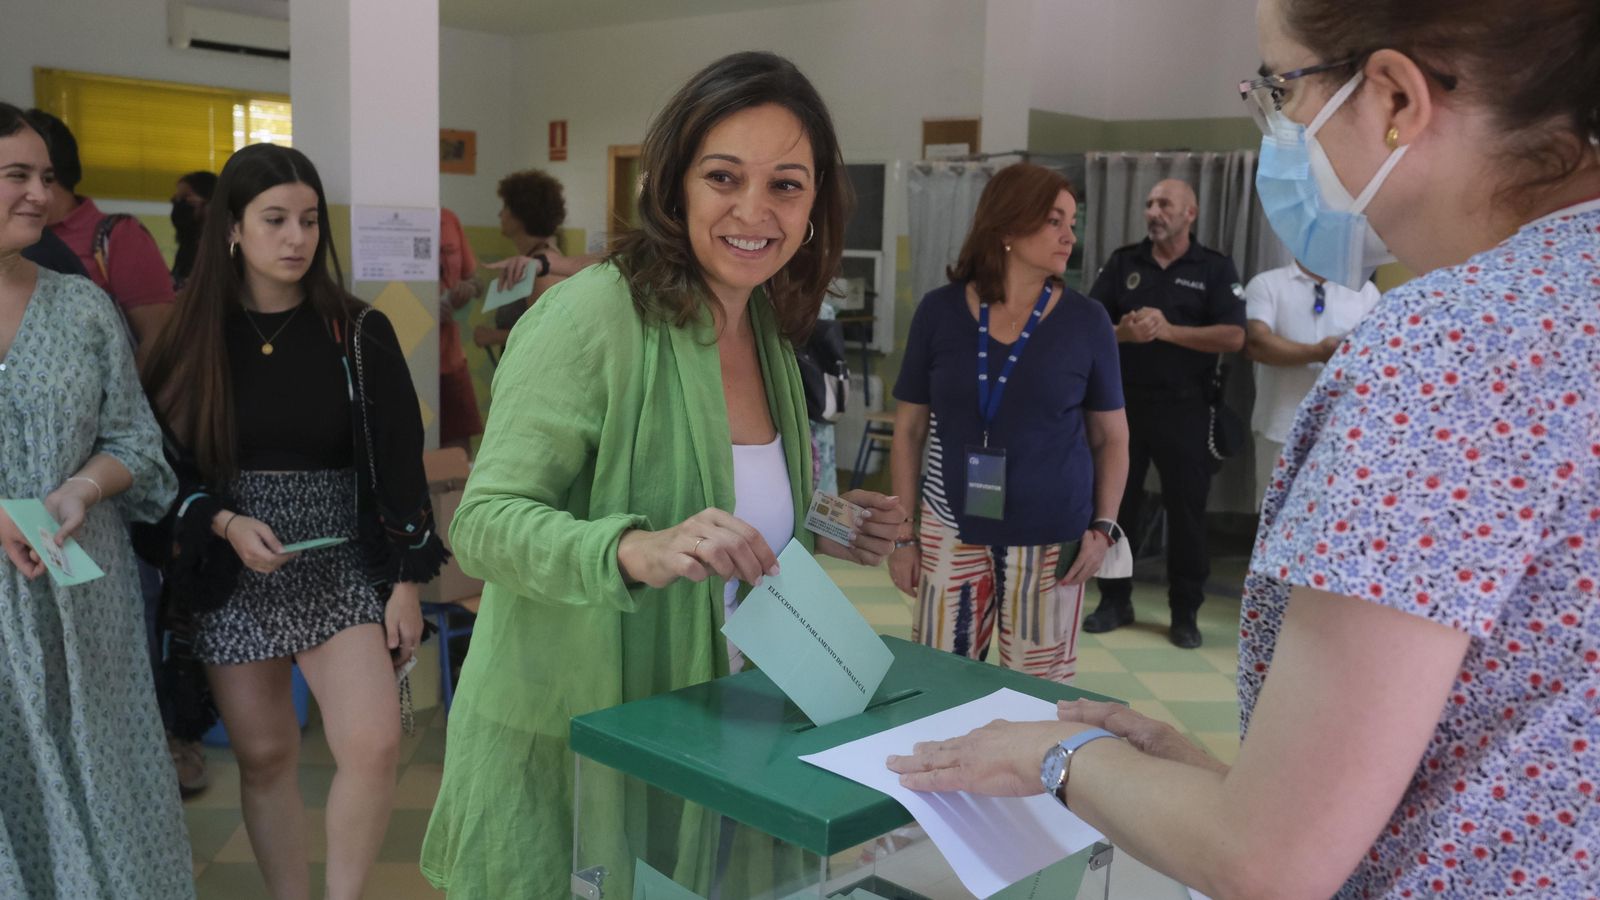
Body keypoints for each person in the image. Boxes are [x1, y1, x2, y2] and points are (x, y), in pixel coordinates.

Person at [888, 0, 1600, 895]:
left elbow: (1267, 864)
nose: (1279, 129)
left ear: (1392, 96)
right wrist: (1218, 778)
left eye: (1279, 89)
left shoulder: (1455, 350)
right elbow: (1506, 735)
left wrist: (1057, 754)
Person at [422, 51, 905, 898]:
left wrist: (827, 520)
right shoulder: (591, 315)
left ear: (816, 202)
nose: (754, 211)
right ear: (675, 182)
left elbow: (720, 501)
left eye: (786, 186)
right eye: (725, 177)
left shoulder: (765, 330)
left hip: (728, 734)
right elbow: (483, 523)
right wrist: (632, 551)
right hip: (586, 733)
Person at [139, 143, 447, 900]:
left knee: (373, 746)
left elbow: (401, 462)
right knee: (267, 754)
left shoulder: (359, 330)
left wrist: (404, 582)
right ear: (233, 230)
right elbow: (157, 465)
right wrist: (222, 523)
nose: (296, 238)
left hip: (341, 558)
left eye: (309, 220)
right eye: (275, 220)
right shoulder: (188, 335)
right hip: (233, 565)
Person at [0, 101, 194, 899]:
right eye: (17, 174)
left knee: (99, 771)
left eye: (48, 177)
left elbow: (135, 443)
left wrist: (81, 487)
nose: (40, 194)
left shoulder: (79, 305)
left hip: (82, 589)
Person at [888, 162, 1128, 683]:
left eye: (1072, 221)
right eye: (1054, 221)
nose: (1070, 235)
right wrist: (902, 536)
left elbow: (1112, 437)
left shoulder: (1087, 322)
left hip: (1050, 535)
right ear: (1007, 227)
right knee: (938, 682)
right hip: (949, 524)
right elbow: (907, 432)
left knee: (1036, 700)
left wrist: (1104, 528)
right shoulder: (939, 312)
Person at [1083, 178, 1246, 648]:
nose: (1154, 211)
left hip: (1187, 407)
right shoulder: (1123, 263)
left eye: (1164, 204)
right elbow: (1089, 329)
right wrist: (1125, 333)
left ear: (1190, 213)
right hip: (1123, 407)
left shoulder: (1213, 268)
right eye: (1149, 203)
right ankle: (1114, 600)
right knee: (1116, 508)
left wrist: (1170, 332)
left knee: (1187, 514)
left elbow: (1234, 337)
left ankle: (1184, 611)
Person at [24, 109, 175, 347]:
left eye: (16, 173)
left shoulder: (117, 235)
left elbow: (157, 338)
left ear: (47, 173)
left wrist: (125, 385)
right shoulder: (17, 238)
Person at [1243, 260, 1379, 503]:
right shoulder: (1267, 284)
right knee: (1275, 516)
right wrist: (1318, 352)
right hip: (1280, 427)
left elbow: (1377, 354)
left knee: (1335, 516)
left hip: (1344, 433)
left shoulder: (1365, 292)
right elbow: (1257, 344)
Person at [437, 207, 482, 450]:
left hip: (452, 360)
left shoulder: (449, 219)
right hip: (410, 360)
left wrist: (468, 288)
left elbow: (477, 281)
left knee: (457, 458)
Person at [171, 169, 217, 289]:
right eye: (176, 200)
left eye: (186, 198)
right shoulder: (188, 246)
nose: (179, 204)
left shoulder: (225, 251)